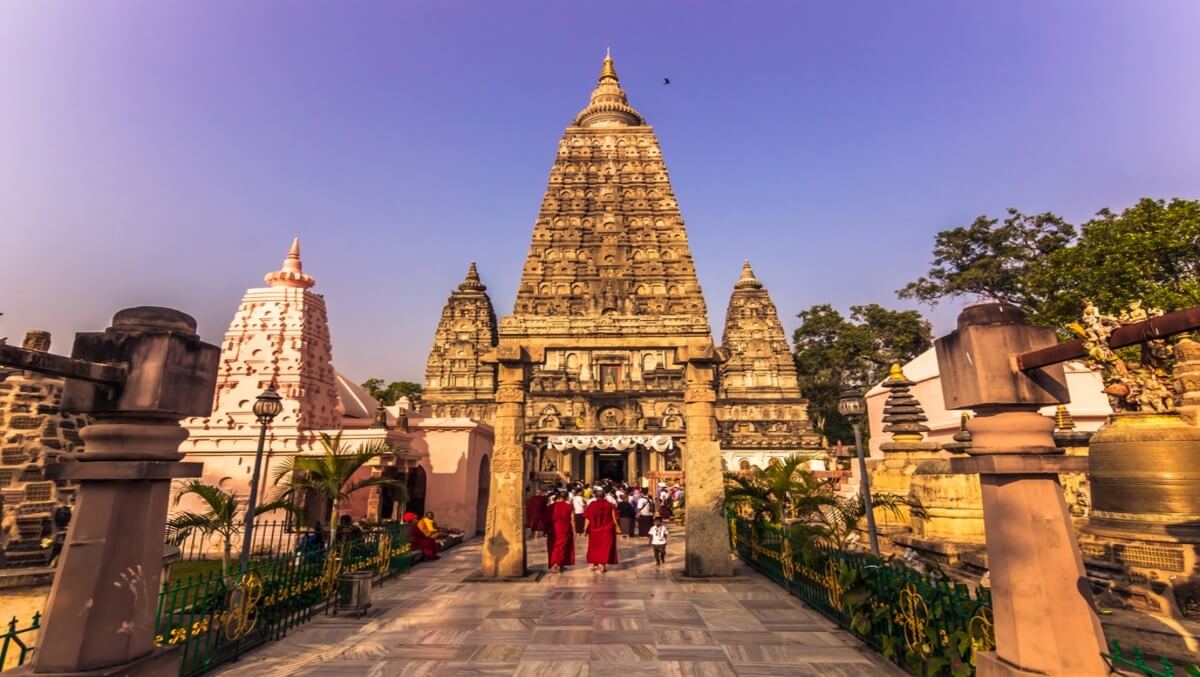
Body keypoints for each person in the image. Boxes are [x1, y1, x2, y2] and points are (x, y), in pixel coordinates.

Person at [583, 490, 620, 572]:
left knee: (594, 547)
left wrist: (585, 529)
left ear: (595, 496)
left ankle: (595, 564)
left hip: (594, 530)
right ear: (604, 496)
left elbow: (588, 518)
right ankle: (602, 565)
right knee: (605, 548)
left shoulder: (591, 505)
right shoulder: (610, 505)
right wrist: (617, 526)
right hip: (607, 530)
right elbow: (614, 517)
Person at [548, 491, 576, 573]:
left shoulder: (551, 506)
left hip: (554, 529)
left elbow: (546, 518)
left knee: (555, 546)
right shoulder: (569, 506)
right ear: (567, 497)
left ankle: (560, 564)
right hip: (565, 528)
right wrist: (574, 530)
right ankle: (556, 564)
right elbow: (572, 520)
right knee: (562, 546)